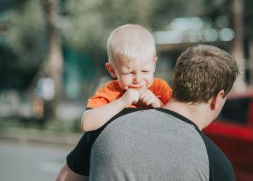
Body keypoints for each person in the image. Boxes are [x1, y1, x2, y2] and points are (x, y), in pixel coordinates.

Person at [56, 44, 239, 181]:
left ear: (176, 80)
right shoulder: (216, 164)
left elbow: (65, 178)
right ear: (218, 97)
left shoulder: (108, 125)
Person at [81, 24, 172, 132]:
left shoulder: (160, 89)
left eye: (145, 71)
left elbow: (179, 123)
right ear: (112, 70)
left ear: (154, 65)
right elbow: (86, 124)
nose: (138, 79)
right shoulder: (110, 91)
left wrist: (160, 105)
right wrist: (122, 102)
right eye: (129, 72)